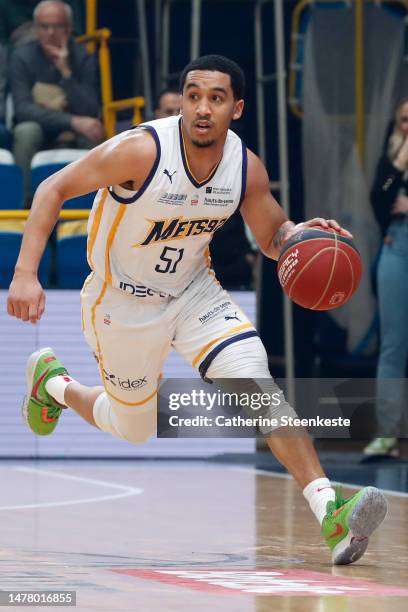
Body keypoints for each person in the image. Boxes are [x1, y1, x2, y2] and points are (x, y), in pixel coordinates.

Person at [7, 54, 387, 565]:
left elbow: (272, 233)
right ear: (183, 101)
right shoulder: (140, 150)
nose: (202, 108)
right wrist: (25, 274)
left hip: (193, 291)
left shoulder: (244, 166)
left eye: (216, 98)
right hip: (122, 301)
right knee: (134, 428)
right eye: (193, 95)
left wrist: (302, 238)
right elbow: (53, 187)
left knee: (258, 390)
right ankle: (53, 383)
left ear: (237, 108)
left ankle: (329, 510)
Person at [9, 0, 104, 206]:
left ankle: (92, 204)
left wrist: (66, 73)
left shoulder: (83, 58)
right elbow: (23, 109)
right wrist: (72, 121)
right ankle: (25, 206)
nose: (51, 32)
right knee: (26, 131)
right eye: (44, 26)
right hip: (40, 129)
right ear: (36, 29)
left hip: (74, 132)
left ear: (69, 29)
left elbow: (90, 109)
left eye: (58, 26)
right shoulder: (22, 58)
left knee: (94, 132)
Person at [364, 98, 408, 458]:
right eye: (405, 119)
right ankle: (387, 434)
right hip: (397, 246)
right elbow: (377, 199)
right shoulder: (393, 158)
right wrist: (400, 162)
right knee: (393, 343)